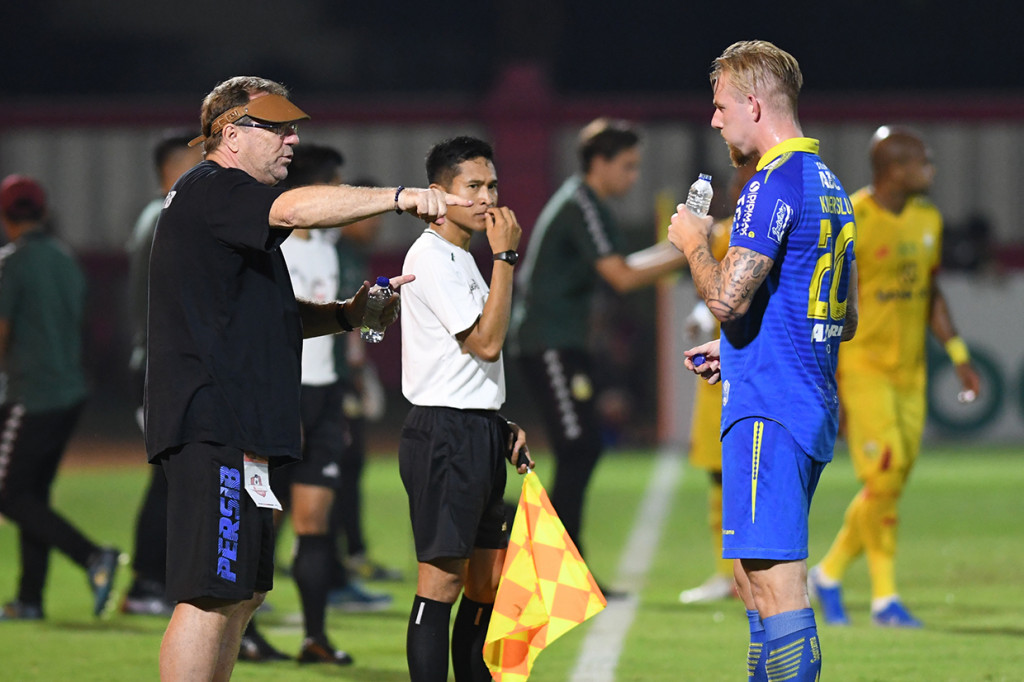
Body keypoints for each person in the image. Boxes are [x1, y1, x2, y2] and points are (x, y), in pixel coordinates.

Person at [145, 75, 468, 682]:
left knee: (240, 595)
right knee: (212, 592)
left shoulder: (226, 207)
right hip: (213, 422)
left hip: (243, 429)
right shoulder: (216, 186)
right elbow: (295, 207)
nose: (293, 139)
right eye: (277, 128)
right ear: (232, 135)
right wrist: (400, 196)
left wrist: (348, 315)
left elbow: (267, 319)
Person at [668, 40, 858, 681]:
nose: (715, 120)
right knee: (754, 585)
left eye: (721, 107)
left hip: (771, 414)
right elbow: (841, 314)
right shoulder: (829, 184)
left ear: (753, 102)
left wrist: (693, 242)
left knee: (777, 592)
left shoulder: (770, 183)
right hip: (796, 401)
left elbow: (724, 296)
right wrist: (739, 350)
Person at [808, 126, 981, 628]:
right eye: (922, 161)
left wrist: (959, 354)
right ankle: (885, 600)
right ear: (894, 169)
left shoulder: (928, 218)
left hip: (911, 373)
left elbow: (929, 291)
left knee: (892, 483)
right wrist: (831, 378)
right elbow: (828, 299)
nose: (930, 169)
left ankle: (831, 572)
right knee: (883, 475)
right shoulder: (853, 218)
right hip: (863, 369)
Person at [509, 118, 687, 585]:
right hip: (546, 343)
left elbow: (622, 268)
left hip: (563, 344)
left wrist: (683, 249)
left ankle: (558, 563)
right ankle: (550, 564)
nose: (633, 176)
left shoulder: (587, 202)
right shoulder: (582, 204)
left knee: (582, 448)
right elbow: (622, 277)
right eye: (627, 166)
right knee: (578, 447)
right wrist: (691, 250)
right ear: (599, 162)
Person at [398, 136, 533, 681]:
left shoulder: (461, 258)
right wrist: (505, 258)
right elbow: (487, 344)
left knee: (486, 582)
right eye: (472, 187)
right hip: (443, 436)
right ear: (438, 194)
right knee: (442, 585)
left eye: (492, 185)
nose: (486, 198)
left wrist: (498, 421)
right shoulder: (431, 257)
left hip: (474, 431)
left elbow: (471, 362)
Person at [274, 143, 389, 666]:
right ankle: (242, 632)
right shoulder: (269, 244)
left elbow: (343, 322)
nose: (342, 197)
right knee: (261, 525)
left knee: (313, 524)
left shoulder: (326, 247)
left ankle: (314, 638)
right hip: (278, 395)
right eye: (336, 187)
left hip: (321, 395)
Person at [0, 174, 122, 621]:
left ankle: (92, 556)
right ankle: (29, 599)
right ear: (43, 211)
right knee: (33, 495)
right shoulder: (65, 259)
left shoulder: (11, 263)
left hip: (30, 394)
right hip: (70, 392)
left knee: (10, 496)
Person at [122, 130, 203, 617]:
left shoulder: (160, 216)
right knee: (169, 476)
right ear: (176, 168)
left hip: (160, 363)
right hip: (159, 366)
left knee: (174, 475)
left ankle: (159, 580)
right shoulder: (164, 217)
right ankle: (147, 582)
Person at [677, 161, 756, 606]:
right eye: (738, 184)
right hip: (723, 368)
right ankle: (726, 573)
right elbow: (711, 294)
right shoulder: (722, 233)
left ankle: (752, 572)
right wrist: (699, 315)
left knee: (753, 475)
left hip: (757, 366)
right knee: (718, 471)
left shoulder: (767, 232)